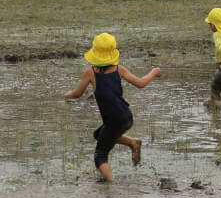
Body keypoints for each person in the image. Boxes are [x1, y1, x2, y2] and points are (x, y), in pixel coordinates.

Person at [62, 33, 161, 183]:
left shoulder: (91, 73)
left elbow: (77, 94)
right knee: (99, 135)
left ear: (95, 53)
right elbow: (141, 83)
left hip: (114, 121)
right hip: (125, 117)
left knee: (100, 156)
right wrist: (153, 72)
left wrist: (67, 95)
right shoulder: (119, 69)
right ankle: (133, 143)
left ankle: (111, 187)